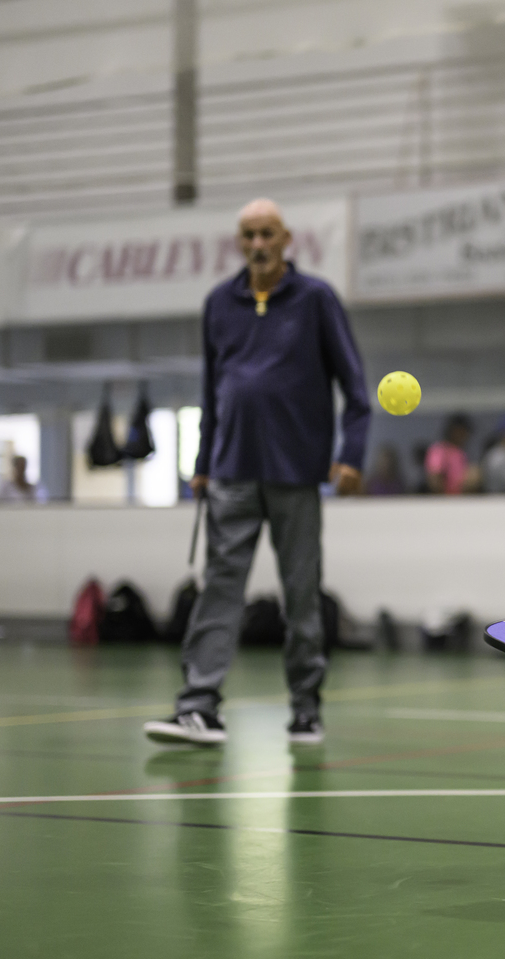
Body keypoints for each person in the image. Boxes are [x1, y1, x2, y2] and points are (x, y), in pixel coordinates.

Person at [144, 198, 370, 748]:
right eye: (249, 235)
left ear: (287, 238)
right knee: (219, 590)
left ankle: (305, 709)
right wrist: (201, 463)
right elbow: (211, 392)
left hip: (298, 474)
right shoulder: (219, 303)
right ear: (239, 241)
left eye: (268, 233)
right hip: (231, 473)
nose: (259, 244)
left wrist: (352, 456)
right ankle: (198, 706)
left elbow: (357, 391)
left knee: (301, 595)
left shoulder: (316, 300)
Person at [425, 413, 480, 494]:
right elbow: (434, 479)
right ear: (454, 430)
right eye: (462, 432)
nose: (465, 436)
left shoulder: (461, 453)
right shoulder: (439, 450)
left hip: (459, 501)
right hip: (443, 502)